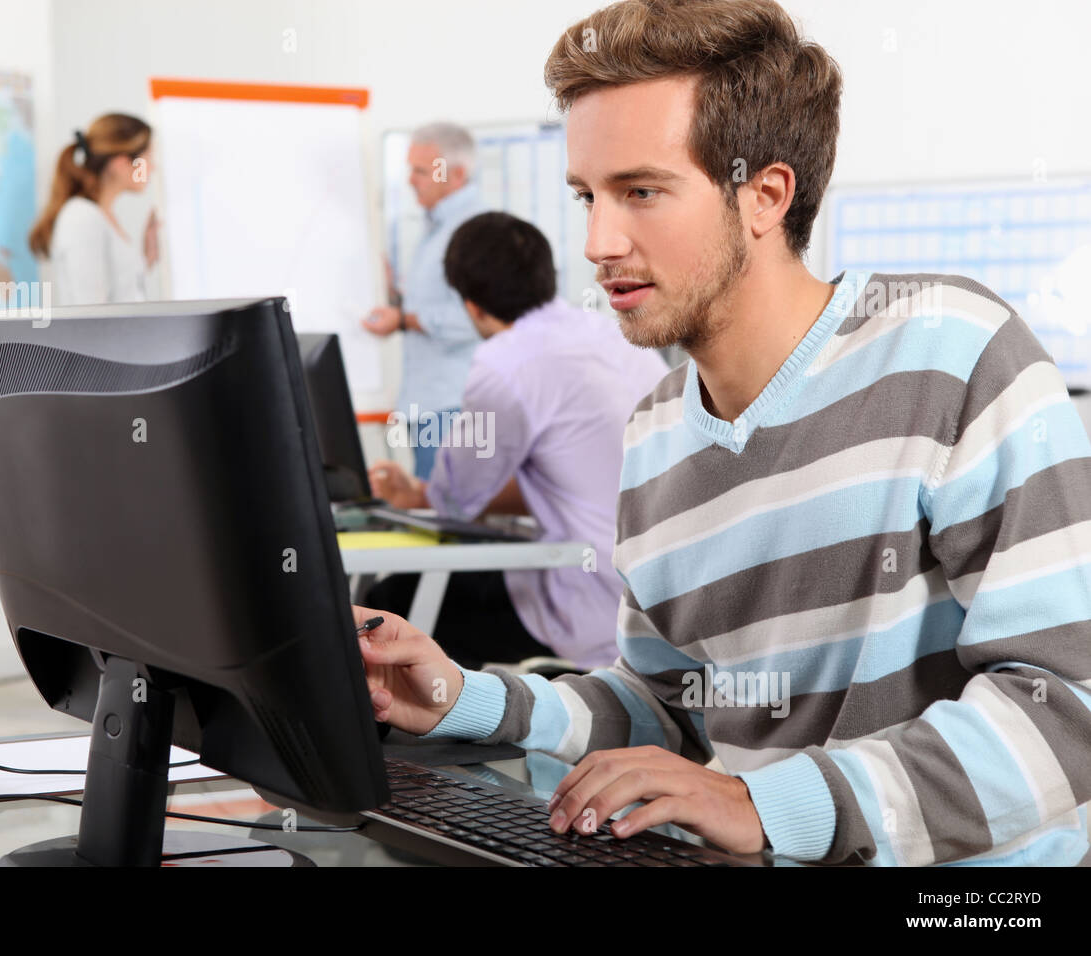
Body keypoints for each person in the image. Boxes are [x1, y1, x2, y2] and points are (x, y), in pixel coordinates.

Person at [354, 0, 1091, 867]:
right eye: (588, 195)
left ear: (764, 196)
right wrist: (462, 698)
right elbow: (669, 707)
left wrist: (762, 801)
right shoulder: (658, 433)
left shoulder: (953, 350)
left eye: (641, 191)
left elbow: (1066, 706)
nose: (597, 240)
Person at [367, 212, 666, 671]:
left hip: (593, 603)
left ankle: (438, 731)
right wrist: (421, 494)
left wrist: (423, 494)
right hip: (662, 601)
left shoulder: (503, 365)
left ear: (472, 306)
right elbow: (577, 481)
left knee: (388, 603)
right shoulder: (614, 335)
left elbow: (458, 500)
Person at [362, 122, 486, 479]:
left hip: (458, 408)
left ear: (458, 174)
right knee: (434, 514)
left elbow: (478, 318)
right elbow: (441, 303)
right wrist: (395, 298)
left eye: (420, 170)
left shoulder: (474, 229)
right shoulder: (435, 229)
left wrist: (403, 320)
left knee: (452, 523)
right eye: (410, 169)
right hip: (431, 406)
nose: (411, 180)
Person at [28, 113, 159, 305]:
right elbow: (91, 311)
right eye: (146, 158)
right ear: (121, 163)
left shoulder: (101, 215)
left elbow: (120, 294)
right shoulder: (83, 218)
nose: (152, 167)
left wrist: (146, 259)